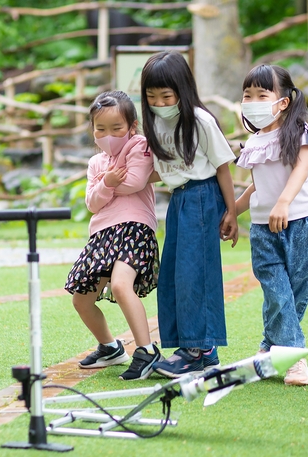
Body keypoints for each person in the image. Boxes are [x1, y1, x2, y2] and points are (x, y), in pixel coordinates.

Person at [140, 51, 238, 378]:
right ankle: (195, 348)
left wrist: (232, 212)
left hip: (202, 197)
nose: (158, 102)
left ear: (182, 88)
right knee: (173, 274)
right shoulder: (154, 121)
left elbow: (222, 166)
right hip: (178, 200)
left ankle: (197, 349)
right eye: (151, 96)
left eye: (165, 95)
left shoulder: (200, 120)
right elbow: (162, 171)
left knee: (194, 272)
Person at [233, 64, 308, 386]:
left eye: (262, 95)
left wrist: (284, 202)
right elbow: (257, 184)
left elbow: (301, 170)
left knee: (294, 293)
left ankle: (268, 347)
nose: (253, 101)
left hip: (301, 224)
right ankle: (295, 359)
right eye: (248, 96)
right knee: (277, 292)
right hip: (262, 229)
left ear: (283, 101)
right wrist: (232, 213)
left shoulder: (300, 132)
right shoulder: (254, 141)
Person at [65, 90, 162, 381]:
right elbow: (91, 204)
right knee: (81, 299)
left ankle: (147, 351)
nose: (108, 135)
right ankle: (110, 347)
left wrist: (104, 187)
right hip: (102, 234)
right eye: (101, 129)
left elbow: (133, 182)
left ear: (132, 126)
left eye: (117, 128)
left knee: (121, 286)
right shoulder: (96, 163)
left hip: (134, 227)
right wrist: (105, 183)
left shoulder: (139, 146)